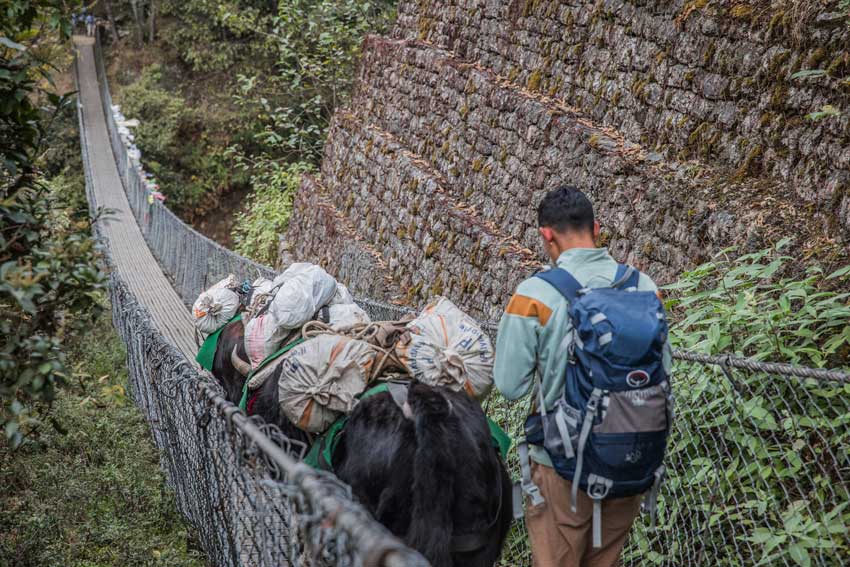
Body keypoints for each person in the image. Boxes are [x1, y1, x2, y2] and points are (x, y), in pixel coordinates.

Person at [493, 186, 671, 567]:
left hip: (561, 466)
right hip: (631, 458)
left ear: (546, 234)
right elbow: (663, 372)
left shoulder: (534, 296)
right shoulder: (645, 289)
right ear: (597, 227)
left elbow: (510, 386)